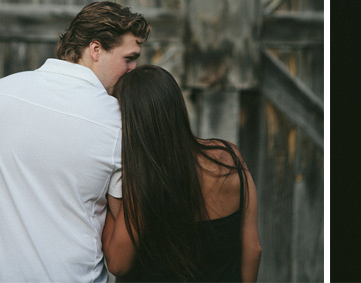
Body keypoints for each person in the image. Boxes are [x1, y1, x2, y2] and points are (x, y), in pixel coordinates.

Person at [0, 1, 150, 282]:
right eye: (129, 58)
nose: (134, 68)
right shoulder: (119, 122)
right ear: (95, 50)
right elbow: (125, 229)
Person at [102, 65, 261, 282]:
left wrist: (110, 193)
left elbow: (118, 264)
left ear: (131, 123)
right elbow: (253, 250)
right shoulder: (229, 158)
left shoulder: (143, 182)